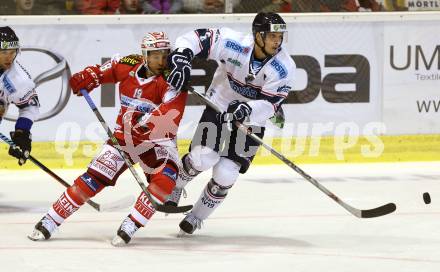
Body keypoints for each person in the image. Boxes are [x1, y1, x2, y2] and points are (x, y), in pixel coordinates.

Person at [28, 32, 189, 245]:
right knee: (92, 178)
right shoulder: (128, 65)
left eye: (165, 55)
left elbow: (171, 116)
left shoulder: (174, 79)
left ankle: (131, 223)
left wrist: (147, 121)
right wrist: (88, 77)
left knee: (166, 178)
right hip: (124, 138)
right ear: (145, 55)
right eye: (155, 55)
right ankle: (50, 220)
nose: (161, 60)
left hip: (158, 141)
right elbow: (104, 71)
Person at [165, 12, 296, 235]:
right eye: (272, 36)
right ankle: (175, 187)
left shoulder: (284, 67)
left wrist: (248, 109)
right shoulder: (233, 43)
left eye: (280, 36)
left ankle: (196, 217)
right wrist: (181, 57)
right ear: (258, 35)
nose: (277, 41)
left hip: (253, 117)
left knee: (226, 173)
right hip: (220, 104)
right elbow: (193, 39)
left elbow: (271, 104)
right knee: (203, 157)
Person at [0, 26, 39, 166]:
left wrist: (22, 132)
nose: (9, 57)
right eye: (4, 51)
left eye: (12, 51)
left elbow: (30, 106)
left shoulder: (19, 80)